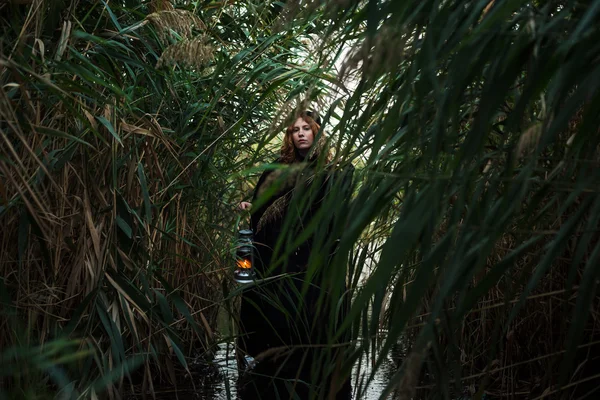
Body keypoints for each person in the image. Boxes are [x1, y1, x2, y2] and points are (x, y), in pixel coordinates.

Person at [236, 111, 354, 399]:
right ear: (289, 136)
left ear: (316, 132)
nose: (301, 133)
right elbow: (261, 211)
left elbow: (338, 211)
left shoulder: (333, 170)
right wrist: (249, 207)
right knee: (279, 319)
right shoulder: (277, 169)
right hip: (280, 261)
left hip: (316, 263)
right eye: (294, 130)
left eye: (306, 128)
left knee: (317, 318)